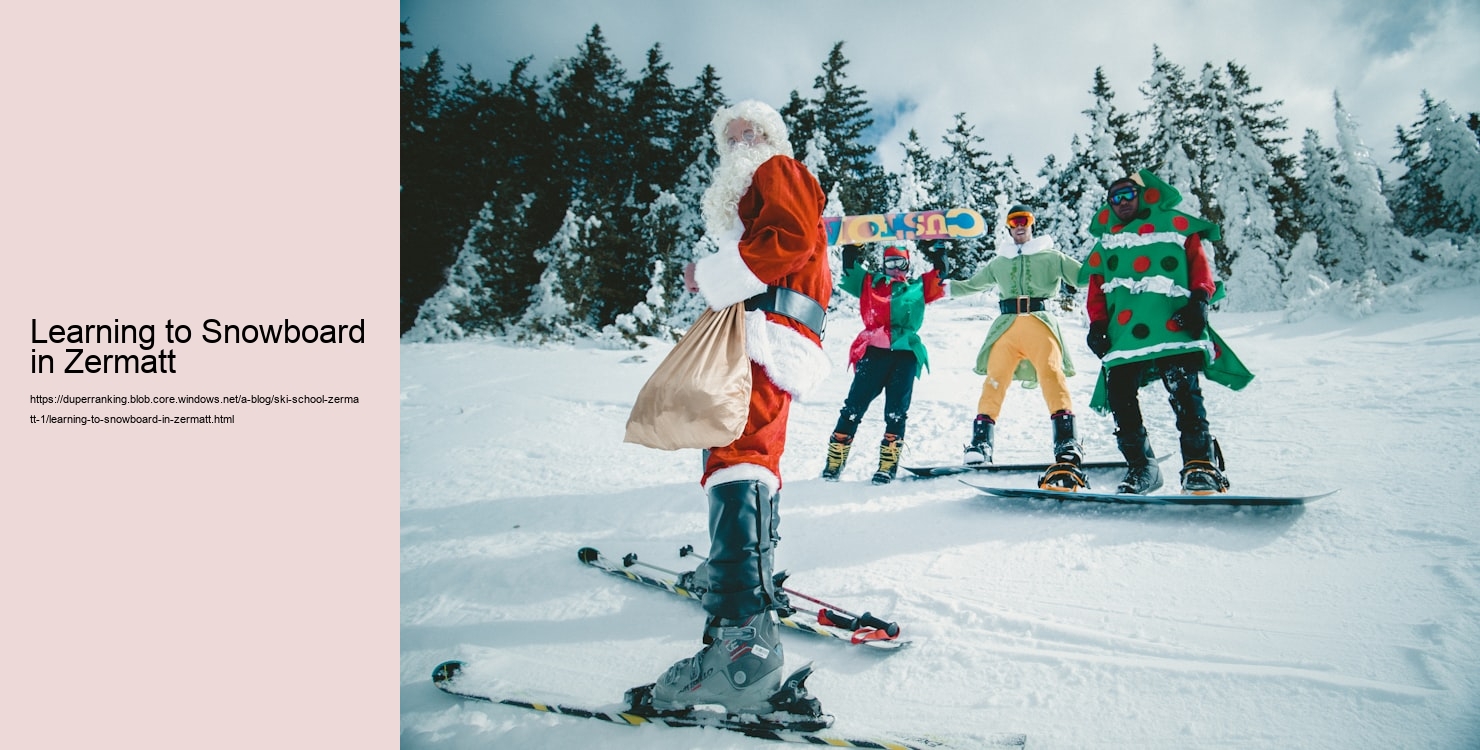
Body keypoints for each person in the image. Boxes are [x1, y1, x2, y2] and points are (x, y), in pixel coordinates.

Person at [655, 100, 832, 714]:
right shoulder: (758, 190)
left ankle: (741, 650)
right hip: (768, 330)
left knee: (735, 456)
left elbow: (783, 242)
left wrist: (708, 274)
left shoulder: (778, 170)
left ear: (773, 138)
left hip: (764, 331)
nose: (740, 142)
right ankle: (744, 585)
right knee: (747, 458)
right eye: (730, 136)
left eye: (751, 131)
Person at [1079, 170, 1254, 494]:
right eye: (1114, 197)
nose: (1122, 202)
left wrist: (1200, 299)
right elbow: (1096, 288)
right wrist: (1098, 324)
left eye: (1128, 194)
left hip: (1174, 327)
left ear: (1143, 195)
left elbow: (1198, 266)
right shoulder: (1107, 243)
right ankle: (1142, 468)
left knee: (1185, 393)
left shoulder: (1175, 227)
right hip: (1126, 335)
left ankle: (1200, 466)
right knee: (1120, 397)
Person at [946, 204, 1088, 490]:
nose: (1020, 225)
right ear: (1008, 227)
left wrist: (1106, 259)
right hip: (1006, 327)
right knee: (994, 381)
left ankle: (1067, 444)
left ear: (1032, 224)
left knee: (1051, 374)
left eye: (1025, 220)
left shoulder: (1052, 257)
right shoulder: (999, 262)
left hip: (1040, 323)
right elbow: (971, 285)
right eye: (1014, 221)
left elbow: (1084, 277)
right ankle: (980, 445)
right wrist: (942, 283)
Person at [821, 243, 948, 484]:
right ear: (883, 264)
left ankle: (887, 465)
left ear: (907, 264)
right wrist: (853, 244)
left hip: (905, 354)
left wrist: (938, 252)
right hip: (874, 352)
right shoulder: (870, 283)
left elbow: (941, 275)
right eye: (889, 262)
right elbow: (849, 268)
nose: (893, 268)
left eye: (899, 262)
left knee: (896, 412)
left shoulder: (919, 286)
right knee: (853, 408)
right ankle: (835, 460)